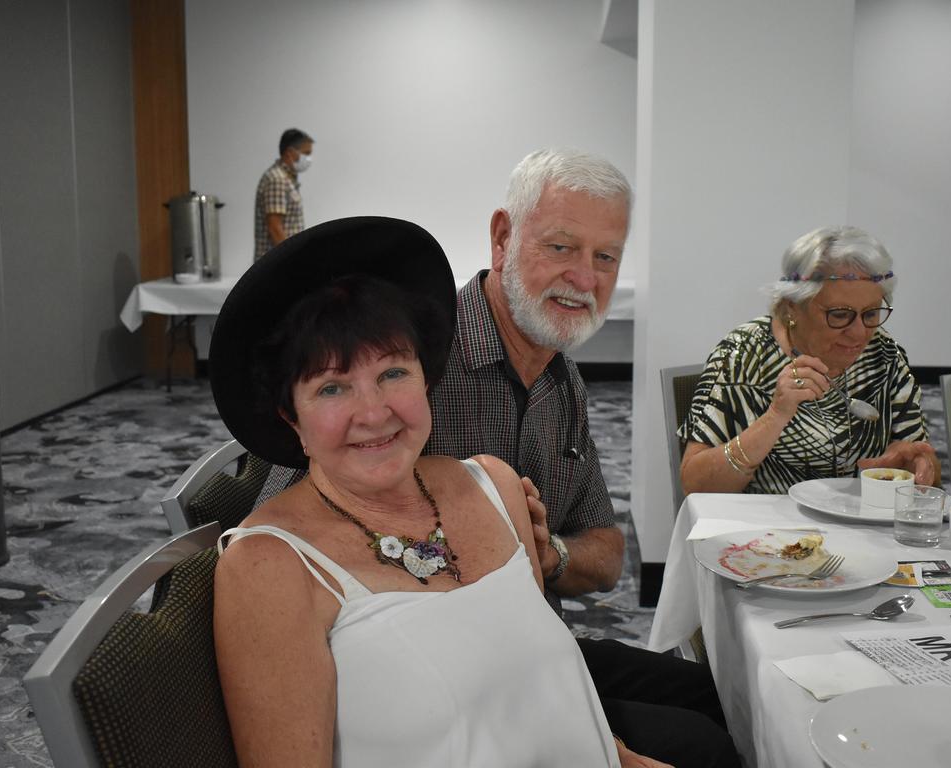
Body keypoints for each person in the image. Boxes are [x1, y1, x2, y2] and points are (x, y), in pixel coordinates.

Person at [250, 150, 739, 767]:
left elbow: (606, 553)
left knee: (725, 699)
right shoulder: (404, 356)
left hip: (532, 650)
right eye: (561, 248)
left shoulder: (559, 379)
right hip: (423, 680)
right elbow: (290, 537)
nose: (585, 279)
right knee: (704, 746)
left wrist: (543, 552)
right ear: (503, 238)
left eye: (605, 257)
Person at [680, 225, 941, 495]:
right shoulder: (743, 354)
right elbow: (695, 484)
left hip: (861, 529)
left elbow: (929, 479)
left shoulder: (884, 355)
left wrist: (917, 466)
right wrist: (775, 416)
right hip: (768, 530)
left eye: (871, 313)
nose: (859, 332)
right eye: (840, 315)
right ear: (792, 306)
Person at [253, 127, 313, 260]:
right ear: (291, 152)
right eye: (306, 153)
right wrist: (290, 260)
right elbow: (275, 227)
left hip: (280, 262)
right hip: (275, 266)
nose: (309, 159)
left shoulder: (286, 179)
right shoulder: (277, 179)